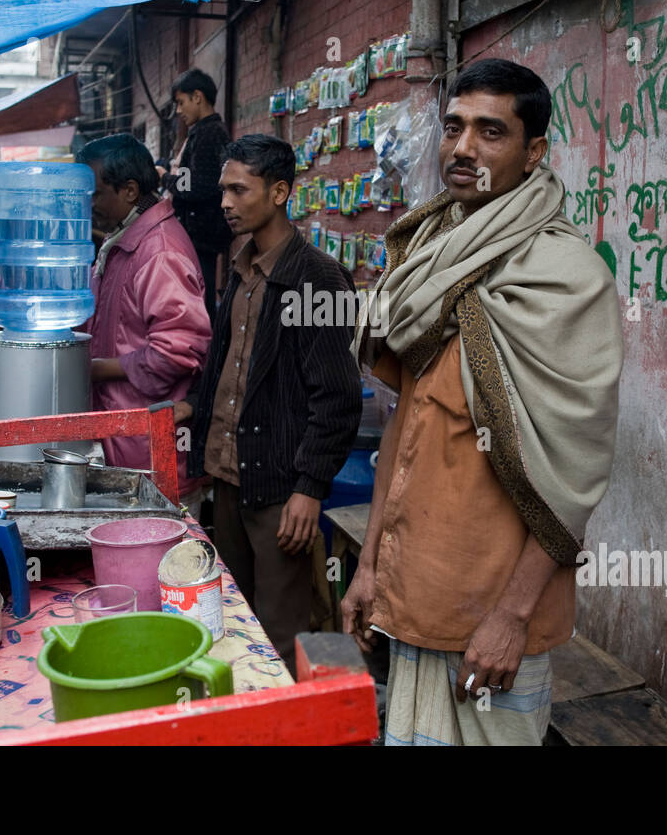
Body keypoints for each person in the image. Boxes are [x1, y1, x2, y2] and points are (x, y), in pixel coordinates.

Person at [341, 59, 625, 746]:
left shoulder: (566, 279)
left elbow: (572, 478)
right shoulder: (428, 257)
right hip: (415, 593)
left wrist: (512, 617)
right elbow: (405, 435)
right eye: (454, 127)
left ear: (533, 152)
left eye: (490, 132)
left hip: (495, 623)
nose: (463, 149)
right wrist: (370, 565)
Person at [179, 134, 361, 674]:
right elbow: (223, 362)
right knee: (233, 621)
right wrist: (192, 408)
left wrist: (309, 488)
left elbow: (338, 397)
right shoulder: (241, 269)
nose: (226, 204)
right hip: (230, 477)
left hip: (281, 488)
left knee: (280, 636)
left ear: (279, 191)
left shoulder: (317, 278)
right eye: (222, 191)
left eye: (240, 190)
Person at [76, 134, 210, 484]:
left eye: (94, 194)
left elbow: (177, 354)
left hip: (150, 453)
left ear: (130, 191)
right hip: (123, 441)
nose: (86, 204)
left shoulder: (160, 252)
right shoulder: (121, 240)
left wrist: (94, 370)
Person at [168, 68, 233, 315]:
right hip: (198, 235)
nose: (178, 111)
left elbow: (195, 187)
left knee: (200, 304)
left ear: (198, 96)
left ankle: (206, 351)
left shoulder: (210, 133)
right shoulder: (201, 132)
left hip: (203, 236)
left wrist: (166, 180)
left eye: (181, 102)